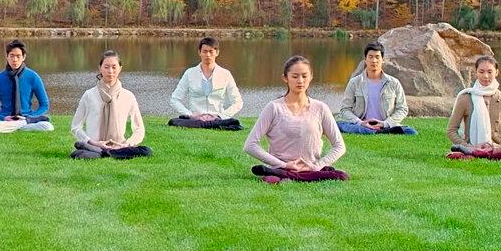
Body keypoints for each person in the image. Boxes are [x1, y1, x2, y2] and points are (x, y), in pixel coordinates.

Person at [244, 55, 348, 183]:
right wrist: (284, 165)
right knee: (275, 177)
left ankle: (289, 177)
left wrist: (318, 165)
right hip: (282, 168)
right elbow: (250, 145)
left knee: (341, 176)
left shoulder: (321, 108)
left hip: (311, 168)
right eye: (295, 76)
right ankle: (286, 175)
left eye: (304, 76)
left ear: (311, 77)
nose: (300, 81)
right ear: (285, 78)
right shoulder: (274, 108)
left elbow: (339, 146)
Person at [70, 50, 152, 159]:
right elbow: (75, 127)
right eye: (106, 67)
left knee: (146, 151)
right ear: (100, 68)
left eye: (114, 67)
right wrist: (92, 142)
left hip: (119, 146)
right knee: (78, 153)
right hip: (95, 144)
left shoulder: (128, 96)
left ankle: (106, 153)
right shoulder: (89, 95)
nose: (110, 71)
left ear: (120, 68)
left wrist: (127, 144)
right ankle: (102, 151)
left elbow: (139, 129)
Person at [446, 55, 501, 160]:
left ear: (496, 72)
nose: (485, 76)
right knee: (459, 154)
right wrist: (467, 146)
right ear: (476, 72)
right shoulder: (465, 98)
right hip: (471, 149)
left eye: (490, 72)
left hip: (496, 149)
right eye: (481, 72)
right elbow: (451, 130)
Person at [336, 42, 416, 135]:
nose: (374, 61)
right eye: (370, 57)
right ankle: (371, 130)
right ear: (365, 60)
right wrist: (360, 123)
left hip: (385, 124)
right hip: (361, 124)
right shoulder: (355, 82)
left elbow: (402, 109)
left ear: (383, 60)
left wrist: (385, 123)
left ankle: (376, 130)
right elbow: (345, 109)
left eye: (377, 57)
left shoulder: (393, 83)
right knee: (339, 124)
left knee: (411, 131)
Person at [167, 36, 244, 130]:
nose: (208, 55)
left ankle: (214, 123)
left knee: (234, 123)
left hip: (217, 119)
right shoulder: (190, 73)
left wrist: (221, 116)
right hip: (195, 119)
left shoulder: (225, 74)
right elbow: (174, 99)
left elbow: (238, 102)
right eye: (205, 51)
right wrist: (191, 115)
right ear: (199, 52)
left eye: (211, 51)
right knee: (174, 121)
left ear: (217, 53)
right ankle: (205, 124)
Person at [0, 39, 54, 132]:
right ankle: (16, 127)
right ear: (7, 57)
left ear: (23, 57)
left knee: (48, 127)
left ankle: (15, 126)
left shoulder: (33, 77)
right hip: (6, 120)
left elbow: (44, 104)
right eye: (12, 56)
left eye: (18, 56)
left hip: (26, 120)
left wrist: (30, 118)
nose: (15, 60)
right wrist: (2, 118)